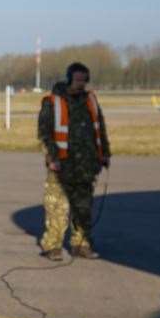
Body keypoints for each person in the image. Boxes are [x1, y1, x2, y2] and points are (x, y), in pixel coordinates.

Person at [36, 62, 110, 260]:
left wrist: (105, 153)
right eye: (78, 79)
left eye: (84, 80)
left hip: (86, 165)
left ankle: (81, 244)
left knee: (83, 208)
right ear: (69, 78)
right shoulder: (53, 102)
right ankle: (52, 246)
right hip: (62, 164)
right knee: (57, 208)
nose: (81, 84)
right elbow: (44, 133)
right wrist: (52, 157)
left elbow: (100, 128)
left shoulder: (90, 100)